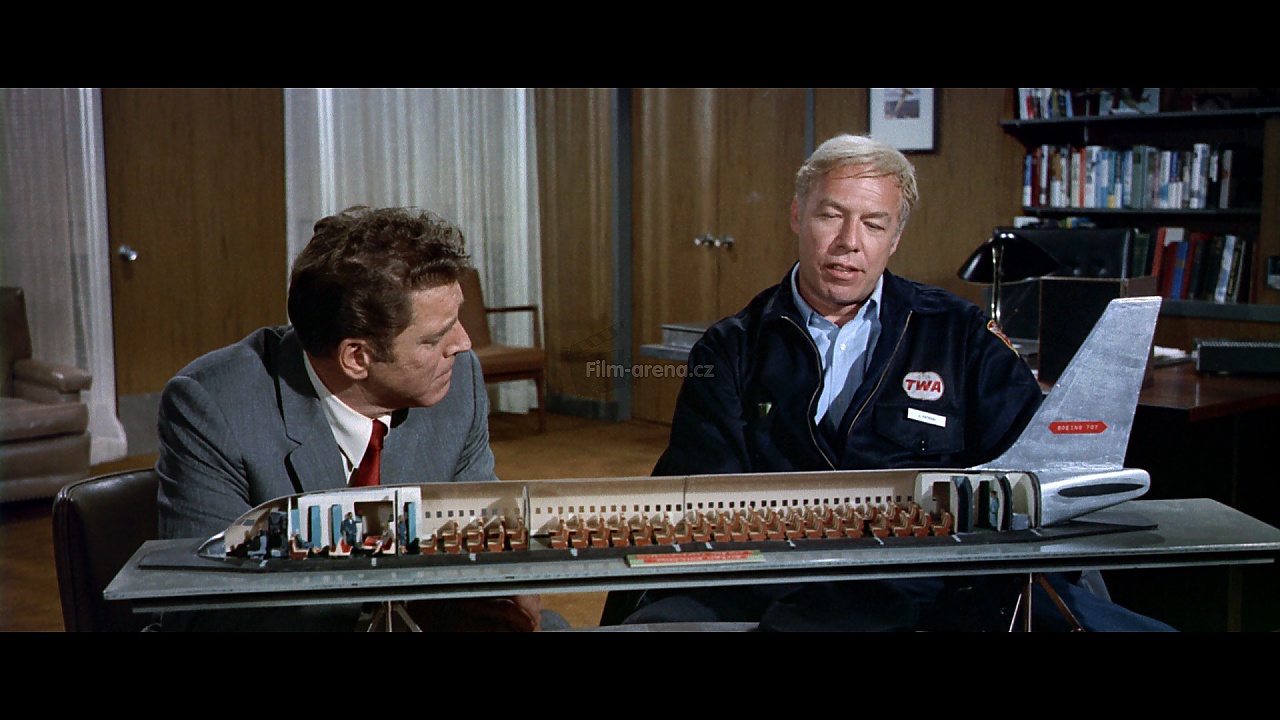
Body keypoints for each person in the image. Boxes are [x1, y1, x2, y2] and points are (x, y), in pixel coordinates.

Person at [616, 134, 1173, 631]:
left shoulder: (961, 334)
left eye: (874, 224)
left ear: (895, 236)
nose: (849, 242)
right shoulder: (730, 348)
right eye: (831, 216)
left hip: (935, 584)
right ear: (797, 216)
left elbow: (1039, 477)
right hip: (779, 584)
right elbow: (704, 509)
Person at [155, 205, 556, 631]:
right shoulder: (214, 406)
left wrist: (505, 584)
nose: (464, 344)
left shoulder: (457, 380)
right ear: (357, 357)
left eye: (456, 321)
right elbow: (203, 609)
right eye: (436, 338)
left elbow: (485, 529)